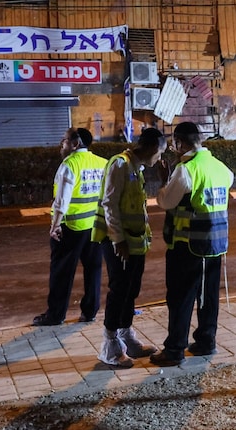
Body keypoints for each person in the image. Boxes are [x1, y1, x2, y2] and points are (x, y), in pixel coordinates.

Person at [150, 122, 234, 367]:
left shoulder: (186, 169)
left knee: (181, 298)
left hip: (186, 246)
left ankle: (175, 349)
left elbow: (166, 202)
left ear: (179, 142)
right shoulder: (221, 168)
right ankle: (206, 341)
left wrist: (164, 182)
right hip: (215, 244)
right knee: (208, 297)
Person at [92, 128, 166, 367]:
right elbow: (109, 204)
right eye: (160, 152)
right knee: (119, 290)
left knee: (131, 289)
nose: (160, 158)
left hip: (135, 242)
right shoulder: (120, 165)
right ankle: (110, 345)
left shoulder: (136, 168)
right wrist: (118, 240)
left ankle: (126, 335)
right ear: (153, 148)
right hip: (120, 243)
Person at [33, 128, 107, 326]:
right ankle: (90, 311)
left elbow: (62, 201)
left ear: (76, 144)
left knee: (62, 272)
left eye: (64, 140)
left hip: (71, 227)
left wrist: (55, 225)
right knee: (94, 270)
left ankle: (55, 315)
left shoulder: (69, 165)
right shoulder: (103, 163)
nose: (61, 144)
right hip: (95, 226)